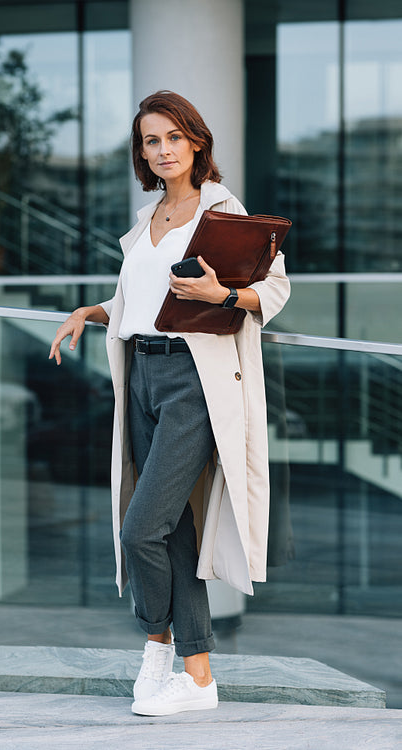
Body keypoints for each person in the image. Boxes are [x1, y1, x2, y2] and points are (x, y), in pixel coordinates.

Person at [49, 90, 290, 716]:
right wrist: (94, 311)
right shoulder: (148, 215)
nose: (163, 151)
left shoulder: (221, 209)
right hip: (141, 379)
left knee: (140, 529)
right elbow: (144, 296)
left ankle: (156, 645)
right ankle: (199, 677)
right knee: (172, 528)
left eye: (173, 138)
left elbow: (275, 288)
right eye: (151, 141)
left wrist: (223, 295)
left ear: (197, 142)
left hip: (193, 382)